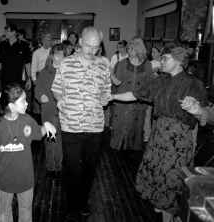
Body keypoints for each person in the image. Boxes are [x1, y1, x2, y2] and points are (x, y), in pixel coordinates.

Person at [111, 45, 207, 222]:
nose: (161, 61)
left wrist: (196, 110)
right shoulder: (160, 80)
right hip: (158, 135)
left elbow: (203, 114)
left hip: (177, 140)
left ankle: (169, 215)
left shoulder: (194, 84)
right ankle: (164, 210)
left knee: (171, 181)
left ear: (178, 61)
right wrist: (113, 96)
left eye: (165, 58)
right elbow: (135, 94)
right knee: (156, 175)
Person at [51, 26, 111, 221]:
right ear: (80, 43)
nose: (92, 51)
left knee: (89, 168)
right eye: (88, 46)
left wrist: (104, 99)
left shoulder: (104, 64)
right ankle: (71, 205)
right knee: (72, 168)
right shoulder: (66, 64)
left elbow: (106, 92)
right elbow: (56, 88)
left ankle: (83, 202)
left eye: (96, 47)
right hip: (71, 125)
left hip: (95, 127)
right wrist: (60, 100)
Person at [0, 83, 56, 222]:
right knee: (5, 212)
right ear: (11, 106)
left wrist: (46, 125)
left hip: (26, 179)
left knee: (26, 212)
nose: (27, 103)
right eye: (23, 101)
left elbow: (39, 132)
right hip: (4, 179)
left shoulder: (27, 120)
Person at [109, 38, 151, 157]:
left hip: (138, 103)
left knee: (136, 128)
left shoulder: (147, 65)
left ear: (139, 50)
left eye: (131, 49)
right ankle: (117, 150)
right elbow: (116, 83)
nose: (129, 52)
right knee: (119, 126)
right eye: (128, 49)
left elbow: (149, 84)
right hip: (122, 101)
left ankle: (133, 151)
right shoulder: (122, 64)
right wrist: (111, 75)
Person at [35, 44, 65, 176]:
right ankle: (51, 166)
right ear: (52, 56)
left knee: (61, 140)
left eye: (63, 55)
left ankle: (59, 165)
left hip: (64, 111)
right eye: (57, 54)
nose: (60, 57)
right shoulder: (45, 71)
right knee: (51, 139)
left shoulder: (67, 71)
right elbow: (38, 90)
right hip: (49, 110)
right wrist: (41, 96)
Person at [0, 24, 30, 88]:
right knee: (5, 97)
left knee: (17, 97)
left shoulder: (24, 45)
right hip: (5, 79)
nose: (5, 33)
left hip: (18, 80)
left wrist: (29, 79)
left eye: (7, 31)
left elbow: (27, 64)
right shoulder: (2, 45)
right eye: (5, 31)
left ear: (14, 32)